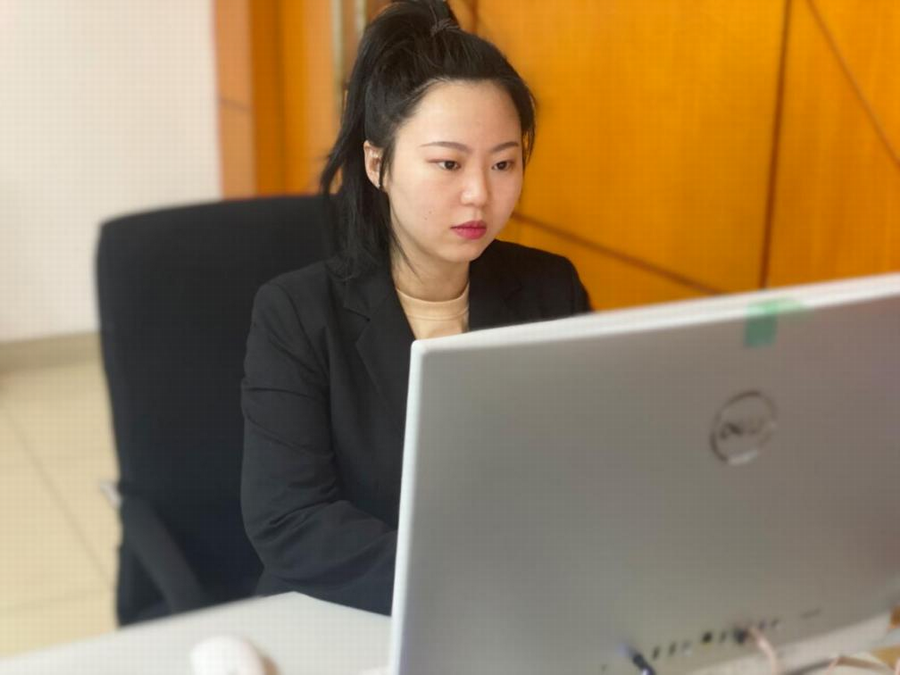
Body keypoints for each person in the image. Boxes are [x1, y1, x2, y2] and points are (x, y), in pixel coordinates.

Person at [240, 0, 591, 616]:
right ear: (378, 164)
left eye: (504, 163)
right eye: (448, 164)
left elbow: (590, 461)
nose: (479, 193)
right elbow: (291, 519)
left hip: (523, 607)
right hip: (353, 610)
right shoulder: (296, 314)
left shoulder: (549, 289)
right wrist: (464, 585)